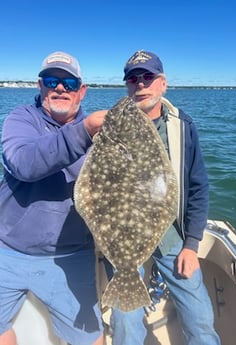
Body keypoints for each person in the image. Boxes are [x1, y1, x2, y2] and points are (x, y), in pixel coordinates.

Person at [109, 50, 221, 345]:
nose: (141, 84)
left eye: (148, 77)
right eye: (133, 79)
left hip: (172, 236)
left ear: (163, 83)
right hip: (126, 236)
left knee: (200, 320)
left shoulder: (183, 126)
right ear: (127, 86)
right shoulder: (110, 127)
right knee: (124, 319)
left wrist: (191, 245)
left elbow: (198, 187)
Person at [0, 51, 107, 345]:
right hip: (7, 249)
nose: (60, 88)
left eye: (69, 83)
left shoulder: (103, 134)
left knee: (91, 339)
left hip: (71, 254)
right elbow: (22, 162)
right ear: (40, 86)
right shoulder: (21, 119)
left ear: (81, 91)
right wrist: (82, 133)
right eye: (52, 80)